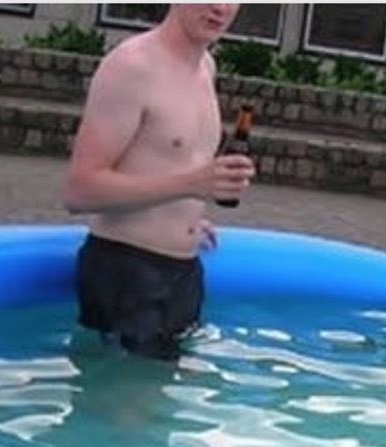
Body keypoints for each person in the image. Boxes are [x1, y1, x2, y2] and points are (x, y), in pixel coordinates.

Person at [63, 4, 255, 360]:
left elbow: (164, 164)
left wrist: (187, 215)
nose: (221, 6)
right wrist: (189, 185)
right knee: (126, 406)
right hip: (126, 272)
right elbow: (79, 190)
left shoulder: (205, 68)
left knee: (163, 406)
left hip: (184, 273)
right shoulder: (133, 66)